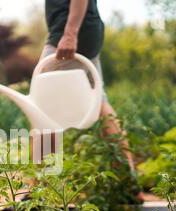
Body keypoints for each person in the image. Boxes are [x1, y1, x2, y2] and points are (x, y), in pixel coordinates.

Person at [42, 0, 143, 200]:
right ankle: (128, 180)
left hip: (69, 32)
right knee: (98, 101)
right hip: (86, 31)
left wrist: (70, 34)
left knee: (40, 104)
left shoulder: (69, 33)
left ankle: (45, 189)